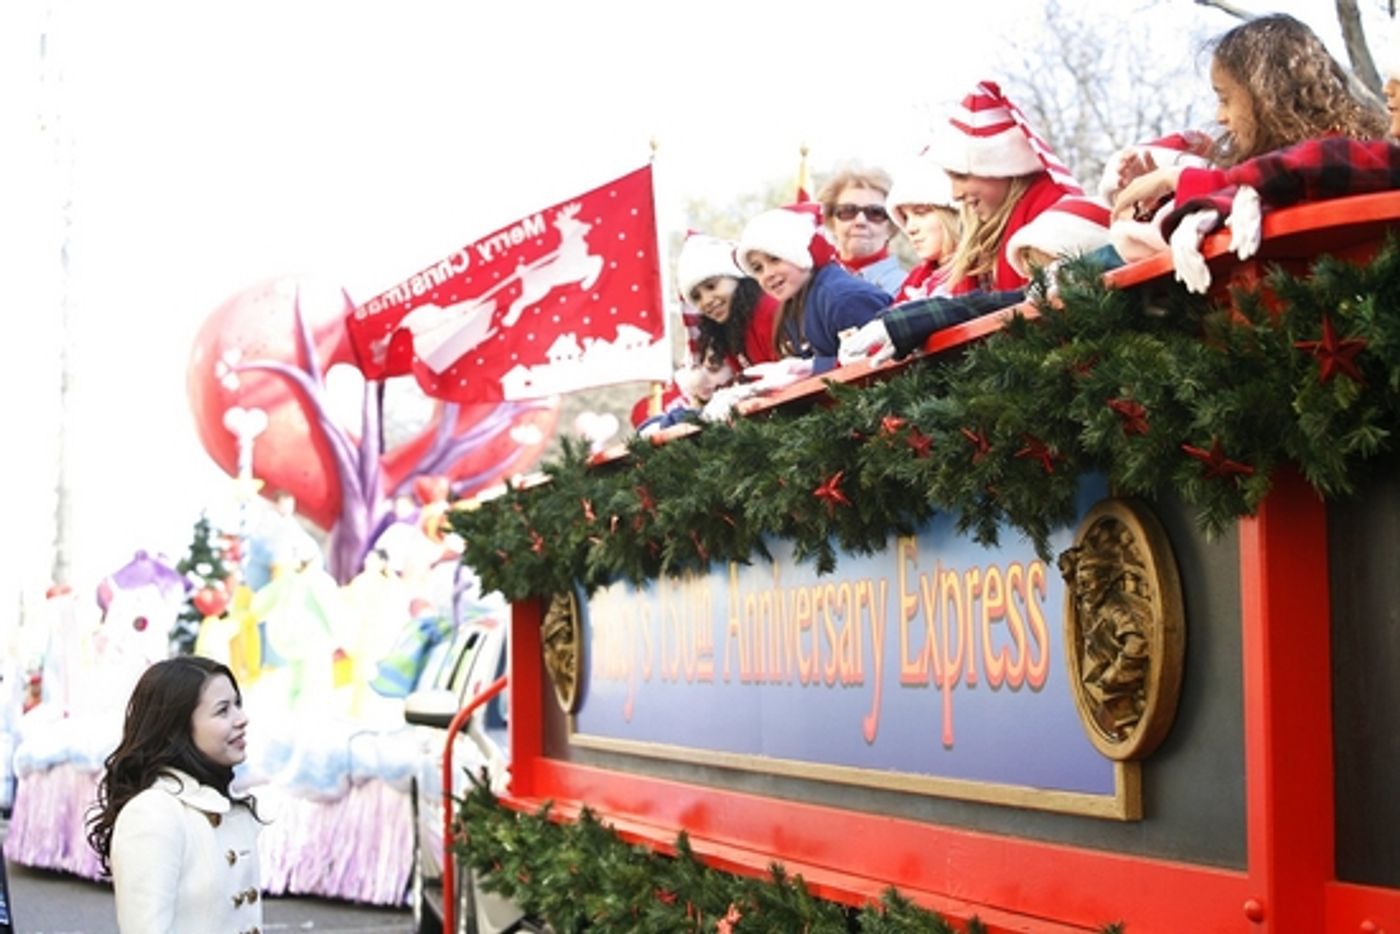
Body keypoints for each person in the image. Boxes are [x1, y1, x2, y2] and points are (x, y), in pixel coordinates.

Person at [838, 80, 1085, 365]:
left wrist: (923, 320)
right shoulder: (997, 234)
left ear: (999, 164)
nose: (955, 194)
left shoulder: (1056, 218)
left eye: (960, 176)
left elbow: (1039, 305)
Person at [1112, 13, 1387, 229]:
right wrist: (1162, 202)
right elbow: (1241, 195)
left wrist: (1179, 180)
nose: (1220, 117)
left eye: (1226, 99)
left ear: (1268, 94)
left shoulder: (1336, 153)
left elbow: (1287, 176)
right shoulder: (1255, 172)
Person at [86, 656, 263, 934]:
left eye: (237, 704)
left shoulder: (222, 806)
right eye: (222, 710)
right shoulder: (153, 812)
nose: (242, 719)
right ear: (176, 728)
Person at [733, 203, 890, 374]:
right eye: (758, 269)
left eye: (775, 259)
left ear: (800, 254)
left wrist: (811, 368)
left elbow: (877, 364)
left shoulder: (843, 299)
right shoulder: (795, 302)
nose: (767, 274)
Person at [675, 231, 778, 371]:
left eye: (711, 286)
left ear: (736, 276)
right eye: (696, 297)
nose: (706, 301)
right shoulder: (727, 332)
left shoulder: (770, 310)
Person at [815, 166, 908, 294]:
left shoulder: (908, 291)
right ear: (831, 221)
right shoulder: (810, 284)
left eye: (875, 213)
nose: (860, 221)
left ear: (892, 226)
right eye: (847, 211)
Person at [884, 151, 962, 302]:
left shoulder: (984, 275)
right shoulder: (914, 282)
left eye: (921, 213)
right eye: (905, 217)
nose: (910, 229)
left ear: (953, 214)